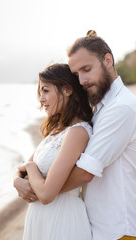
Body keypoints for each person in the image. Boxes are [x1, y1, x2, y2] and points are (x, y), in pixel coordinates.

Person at [15, 30, 136, 240]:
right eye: (77, 74)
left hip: (116, 228)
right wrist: (18, 180)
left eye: (87, 69)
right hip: (94, 224)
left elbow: (85, 172)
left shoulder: (122, 108)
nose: (82, 80)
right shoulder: (100, 108)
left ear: (108, 60)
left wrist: (39, 189)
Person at [14, 63, 93, 240]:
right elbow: (22, 170)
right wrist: (16, 180)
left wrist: (29, 166)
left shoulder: (78, 132)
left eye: (46, 91)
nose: (41, 99)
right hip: (40, 217)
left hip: (62, 219)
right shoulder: (56, 129)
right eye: (40, 93)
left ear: (67, 90)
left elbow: (46, 193)